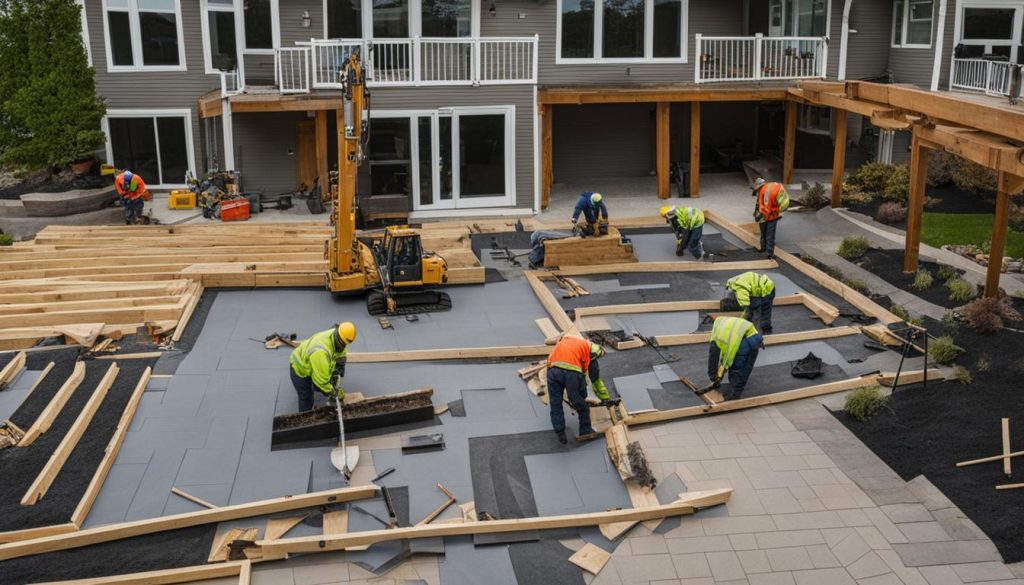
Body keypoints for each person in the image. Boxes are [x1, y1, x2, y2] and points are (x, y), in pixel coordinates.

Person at [547, 336, 613, 444]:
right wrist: (605, 397)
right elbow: (594, 379)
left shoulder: (572, 342)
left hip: (552, 369)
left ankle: (560, 433)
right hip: (570, 372)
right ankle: (585, 431)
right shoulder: (592, 354)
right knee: (581, 404)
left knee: (555, 403)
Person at [289, 322, 357, 412]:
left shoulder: (337, 334)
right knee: (306, 397)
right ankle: (306, 420)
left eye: (346, 344)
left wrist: (338, 369)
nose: (344, 346)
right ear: (338, 338)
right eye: (343, 344)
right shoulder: (320, 352)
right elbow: (322, 382)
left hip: (310, 359)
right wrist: (333, 393)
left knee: (322, 381)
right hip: (299, 367)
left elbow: (341, 351)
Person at [706, 316, 763, 401]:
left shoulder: (716, 339)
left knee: (736, 368)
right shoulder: (721, 323)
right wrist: (720, 371)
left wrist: (715, 377)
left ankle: (734, 395)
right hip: (755, 337)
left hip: (744, 342)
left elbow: (720, 358)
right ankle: (737, 388)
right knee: (746, 368)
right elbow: (724, 353)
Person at [751, 177, 790, 259]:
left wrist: (760, 216)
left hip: (771, 215)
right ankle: (764, 249)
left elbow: (766, 207)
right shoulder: (764, 190)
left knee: (769, 235)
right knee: (766, 233)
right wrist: (756, 213)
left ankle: (769, 253)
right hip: (768, 214)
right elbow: (759, 204)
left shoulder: (766, 192)